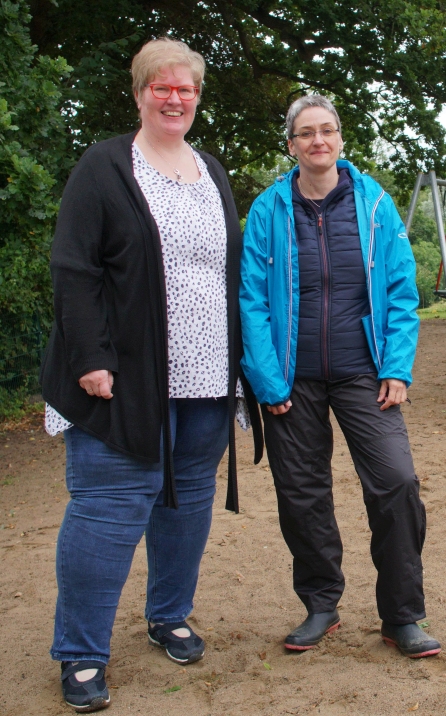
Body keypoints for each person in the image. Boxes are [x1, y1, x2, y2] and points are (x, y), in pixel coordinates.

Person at [40, 38, 258, 712]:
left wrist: (243, 366)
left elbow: (224, 271)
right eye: (160, 87)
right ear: (139, 94)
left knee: (187, 499)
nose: (174, 98)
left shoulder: (212, 169)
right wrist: (92, 358)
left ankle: (168, 613)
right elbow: (74, 268)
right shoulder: (104, 166)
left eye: (185, 88)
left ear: (197, 97)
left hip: (207, 376)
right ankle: (80, 653)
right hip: (123, 377)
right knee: (109, 508)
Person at [239, 94, 440, 659]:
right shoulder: (268, 209)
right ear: (292, 145)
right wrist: (266, 379)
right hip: (290, 381)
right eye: (306, 133)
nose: (318, 141)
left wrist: (398, 367)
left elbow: (402, 292)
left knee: (396, 483)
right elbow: (251, 299)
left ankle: (402, 616)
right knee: (302, 494)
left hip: (364, 372)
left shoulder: (375, 204)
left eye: (327, 130)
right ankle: (320, 604)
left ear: (340, 139)